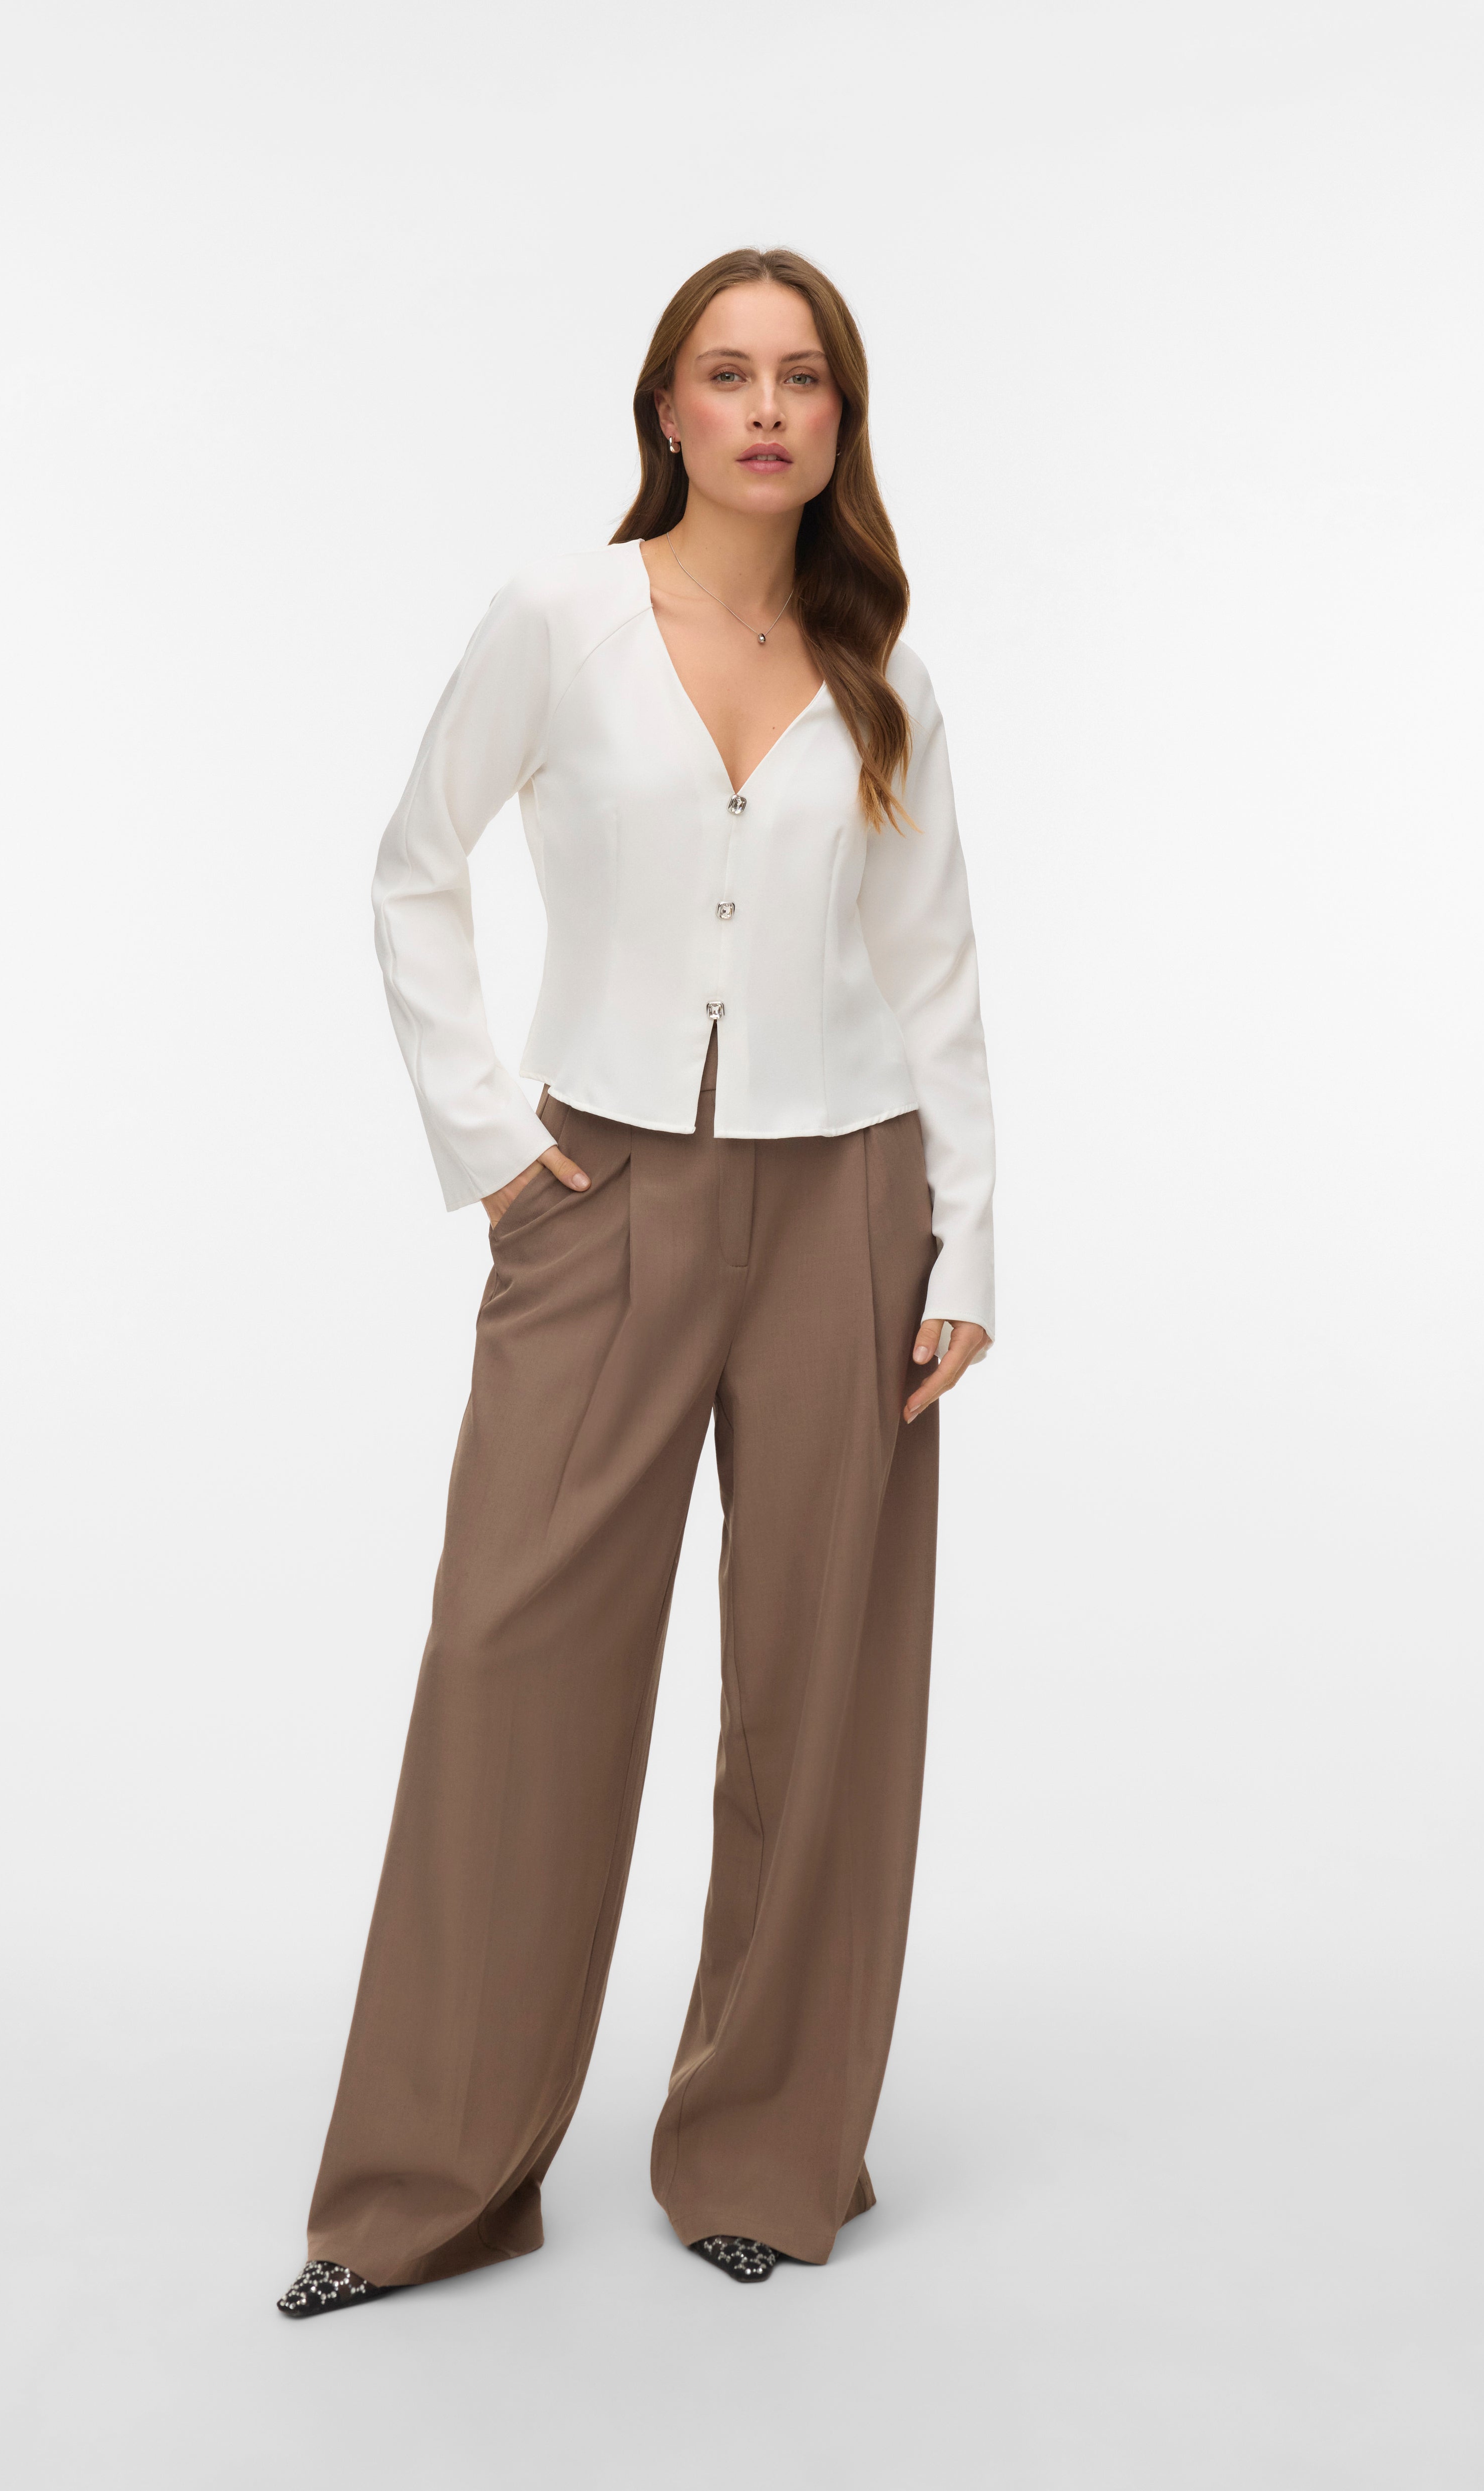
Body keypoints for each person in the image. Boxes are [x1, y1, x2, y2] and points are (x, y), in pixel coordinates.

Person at [277, 246, 997, 2314]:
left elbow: (935, 965)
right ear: (666, 409)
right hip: (597, 1199)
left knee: (821, 1687)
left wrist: (964, 1236)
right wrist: (490, 1148)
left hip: (852, 1197)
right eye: (727, 373)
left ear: (840, 421)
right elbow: (414, 862)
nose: (766, 409)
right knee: (511, 1668)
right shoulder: (561, 619)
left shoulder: (881, 668)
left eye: (803, 377)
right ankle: (422, 2185)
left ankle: (767, 2150)